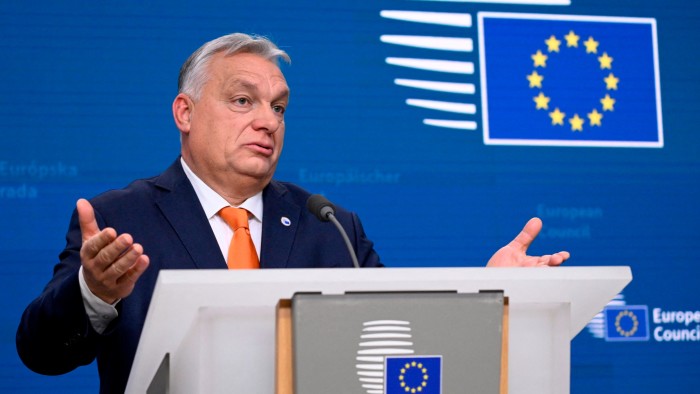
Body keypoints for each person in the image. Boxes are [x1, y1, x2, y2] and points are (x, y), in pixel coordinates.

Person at [16, 33, 569, 393]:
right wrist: (94, 293)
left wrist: (488, 291)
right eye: (242, 101)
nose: (268, 121)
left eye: (278, 107)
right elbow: (41, 354)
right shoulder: (121, 218)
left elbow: (400, 338)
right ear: (184, 112)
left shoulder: (327, 224)